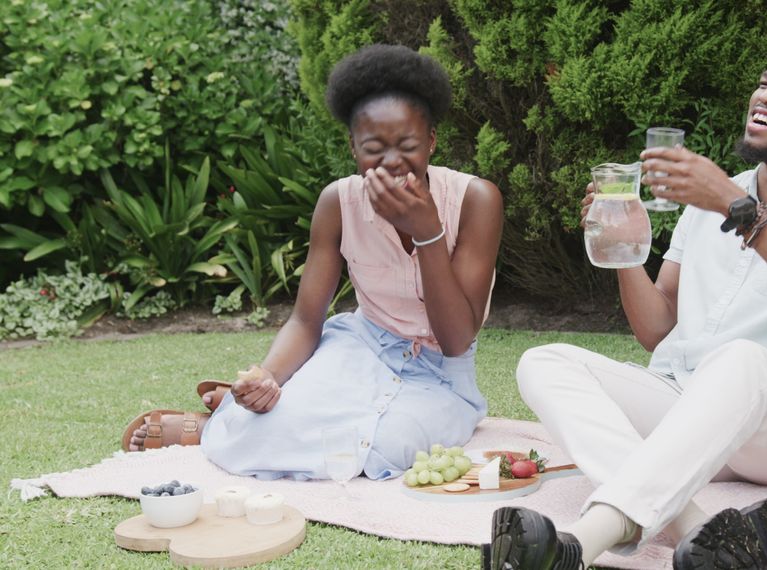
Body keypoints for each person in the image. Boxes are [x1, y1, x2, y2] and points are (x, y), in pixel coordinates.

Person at [487, 35, 767, 569]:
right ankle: (704, 532)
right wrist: (626, 249)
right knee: (544, 361)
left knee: (740, 357)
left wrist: (739, 207)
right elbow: (660, 330)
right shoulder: (711, 198)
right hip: (690, 405)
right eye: (764, 82)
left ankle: (580, 543)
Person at [121, 44, 504, 482]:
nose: (392, 163)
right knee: (266, 423)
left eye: (408, 145)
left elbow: (456, 340)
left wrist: (427, 231)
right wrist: (267, 377)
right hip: (362, 347)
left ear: (432, 140)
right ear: (353, 147)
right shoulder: (338, 202)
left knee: (385, 448)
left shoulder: (476, 199)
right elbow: (306, 320)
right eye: (373, 148)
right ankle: (229, 417)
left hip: (440, 373)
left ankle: (224, 420)